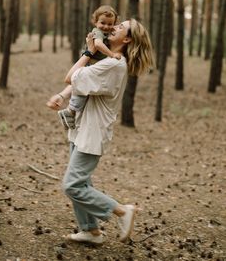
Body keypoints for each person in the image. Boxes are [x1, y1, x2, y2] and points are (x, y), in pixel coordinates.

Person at [47, 19, 155, 245]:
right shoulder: (110, 61)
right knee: (82, 182)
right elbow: (80, 81)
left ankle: (121, 211)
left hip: (92, 134)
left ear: (126, 39)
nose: (113, 27)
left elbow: (71, 76)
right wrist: (62, 96)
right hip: (83, 129)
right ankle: (90, 231)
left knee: (72, 185)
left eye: (120, 27)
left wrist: (89, 50)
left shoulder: (113, 65)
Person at [48, 5, 121, 130]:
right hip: (90, 62)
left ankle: (67, 105)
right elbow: (97, 44)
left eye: (110, 24)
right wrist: (112, 54)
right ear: (95, 22)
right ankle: (70, 111)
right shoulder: (97, 32)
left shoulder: (107, 33)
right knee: (82, 88)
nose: (106, 27)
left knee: (81, 85)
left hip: (94, 63)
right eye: (102, 23)